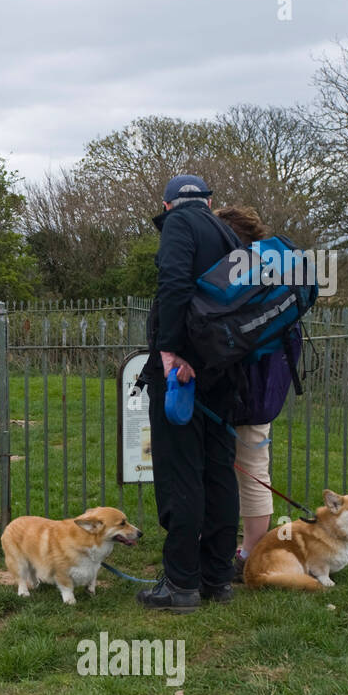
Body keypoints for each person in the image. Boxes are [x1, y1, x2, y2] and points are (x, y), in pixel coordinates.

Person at [137, 175, 242, 613]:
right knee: (218, 473)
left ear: (167, 205)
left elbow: (175, 284)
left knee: (180, 474)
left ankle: (180, 585)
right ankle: (217, 577)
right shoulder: (228, 232)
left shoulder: (179, 225)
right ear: (210, 201)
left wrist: (170, 351)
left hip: (184, 372)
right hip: (223, 368)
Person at [213, 205, 274, 580]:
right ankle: (252, 553)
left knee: (220, 469)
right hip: (265, 388)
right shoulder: (272, 275)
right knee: (254, 471)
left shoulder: (231, 279)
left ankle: (229, 552)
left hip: (234, 388)